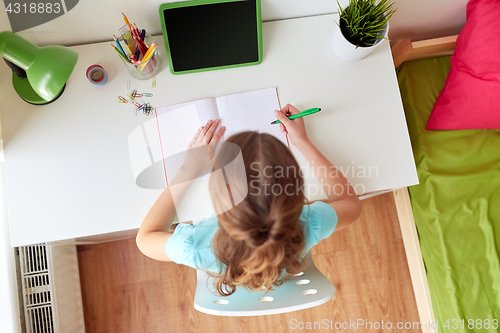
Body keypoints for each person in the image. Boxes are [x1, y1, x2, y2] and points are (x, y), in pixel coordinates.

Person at [136, 104, 362, 296]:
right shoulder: (308, 221)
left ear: (219, 191)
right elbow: (350, 203)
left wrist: (188, 169)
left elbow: (145, 239)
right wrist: (303, 141)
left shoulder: (194, 246)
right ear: (294, 189)